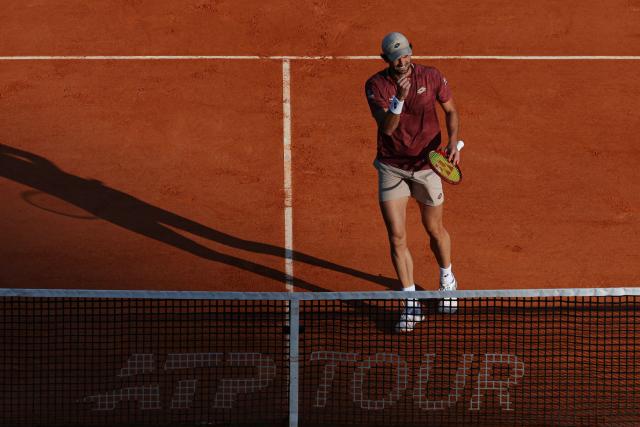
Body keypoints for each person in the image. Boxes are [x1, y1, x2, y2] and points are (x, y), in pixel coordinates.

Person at [364, 32, 462, 332]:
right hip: (392, 167)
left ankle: (447, 279)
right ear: (386, 60)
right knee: (397, 236)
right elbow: (387, 128)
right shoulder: (376, 85)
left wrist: (453, 139)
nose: (403, 60)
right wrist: (399, 100)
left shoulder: (432, 76)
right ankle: (411, 302)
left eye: (406, 54)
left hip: (427, 166)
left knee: (434, 229)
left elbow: (451, 110)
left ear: (411, 52)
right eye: (397, 57)